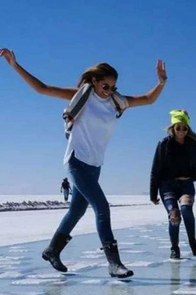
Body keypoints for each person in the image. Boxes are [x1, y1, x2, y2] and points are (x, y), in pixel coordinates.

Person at [1, 48, 167, 278]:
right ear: (95, 81)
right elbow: (42, 88)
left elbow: (148, 99)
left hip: (94, 164)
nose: (108, 91)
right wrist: (14, 66)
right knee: (102, 207)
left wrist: (161, 82)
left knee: (77, 209)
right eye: (105, 86)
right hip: (77, 161)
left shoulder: (116, 103)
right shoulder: (82, 96)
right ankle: (114, 263)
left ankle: (52, 250)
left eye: (112, 87)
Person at [150, 109, 196, 259]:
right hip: (167, 185)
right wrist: (153, 193)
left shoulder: (194, 145)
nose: (181, 131)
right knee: (174, 214)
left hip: (186, 184)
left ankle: (192, 241)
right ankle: (174, 247)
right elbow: (155, 169)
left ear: (188, 128)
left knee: (186, 209)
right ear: (172, 128)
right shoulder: (164, 144)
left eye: (184, 127)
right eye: (178, 127)